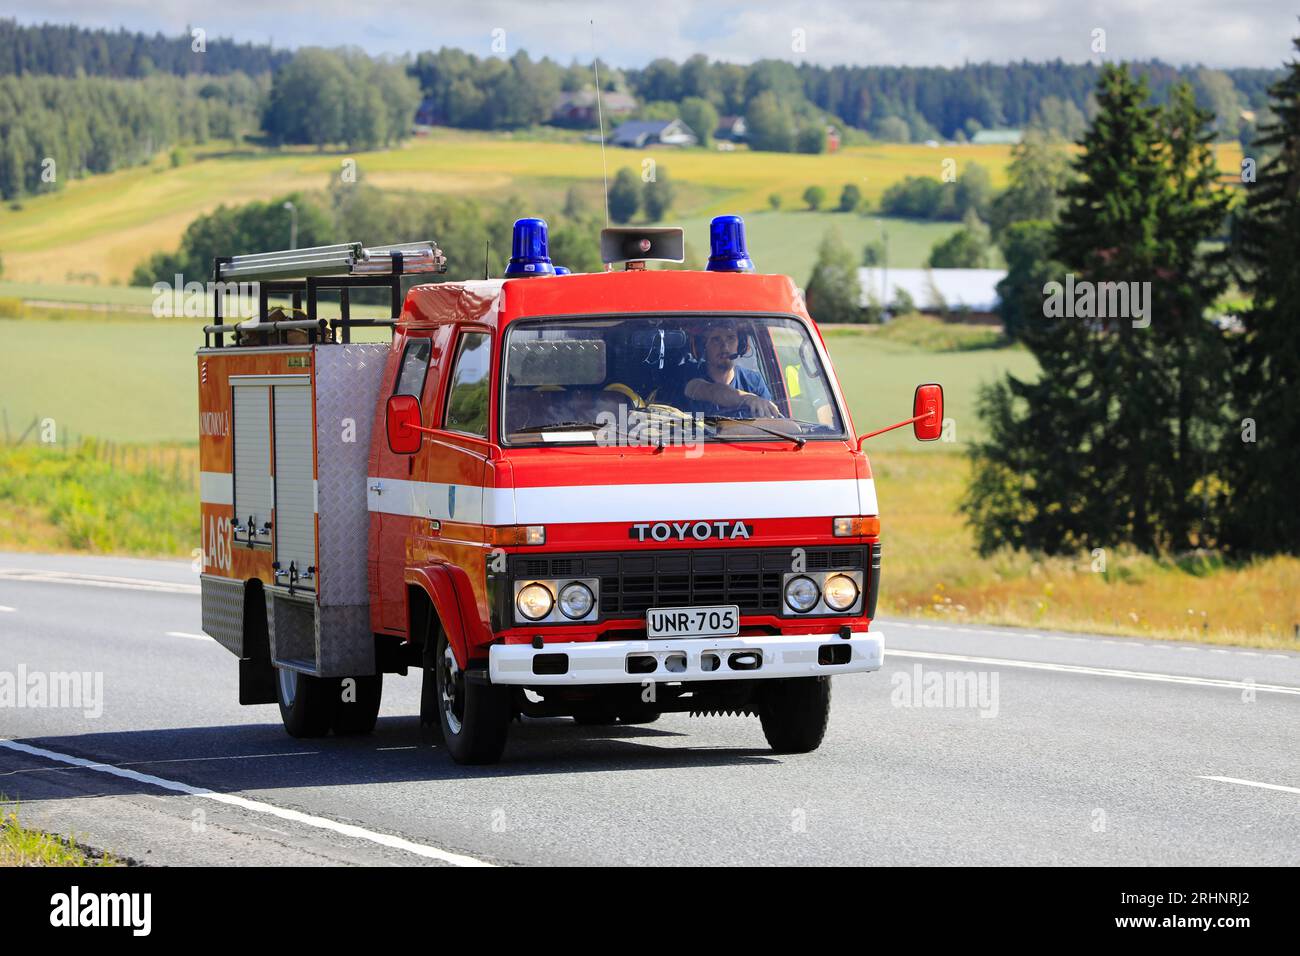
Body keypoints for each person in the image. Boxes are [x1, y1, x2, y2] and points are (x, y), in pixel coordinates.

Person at [672, 319, 780, 418]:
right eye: (716, 339)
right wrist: (747, 399)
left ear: (740, 345)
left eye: (731, 338)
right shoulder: (688, 375)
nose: (725, 347)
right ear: (703, 346)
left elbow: (773, 424)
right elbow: (710, 391)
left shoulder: (754, 382)